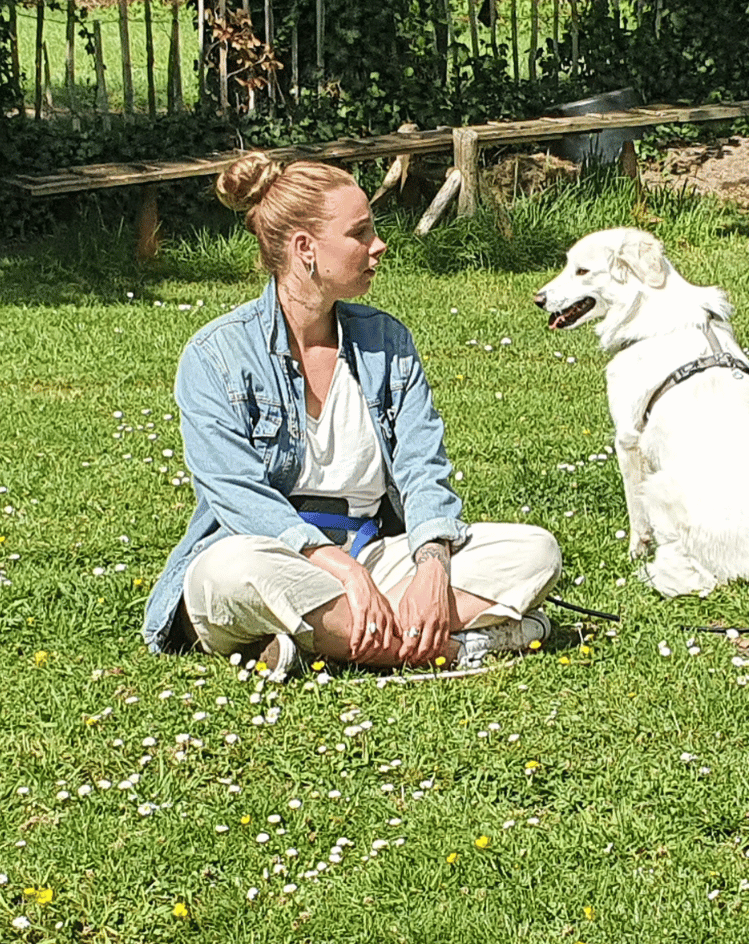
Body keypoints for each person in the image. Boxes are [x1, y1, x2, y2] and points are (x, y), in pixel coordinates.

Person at [143, 152, 561, 679]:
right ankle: (460, 648)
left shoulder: (387, 341)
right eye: (359, 233)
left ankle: (316, 641)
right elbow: (236, 494)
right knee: (232, 571)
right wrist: (334, 566)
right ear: (305, 250)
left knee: (534, 551)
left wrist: (431, 565)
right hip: (273, 557)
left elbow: (422, 468)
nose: (378, 245)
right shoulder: (215, 356)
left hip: (373, 557)